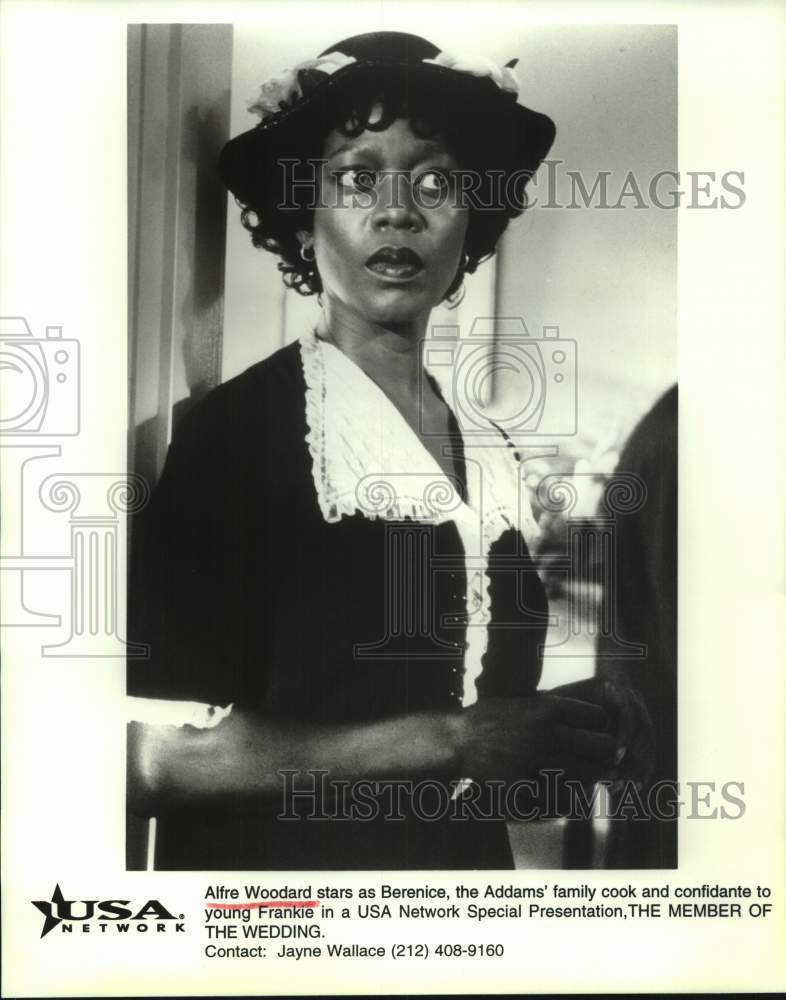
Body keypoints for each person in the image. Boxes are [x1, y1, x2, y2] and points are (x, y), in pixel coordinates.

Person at [127, 30, 629, 870]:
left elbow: (480, 743)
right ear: (303, 213)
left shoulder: (494, 455)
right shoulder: (239, 435)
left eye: (436, 180)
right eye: (357, 176)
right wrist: (453, 740)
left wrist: (567, 732)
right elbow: (151, 759)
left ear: (472, 215)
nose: (398, 210)